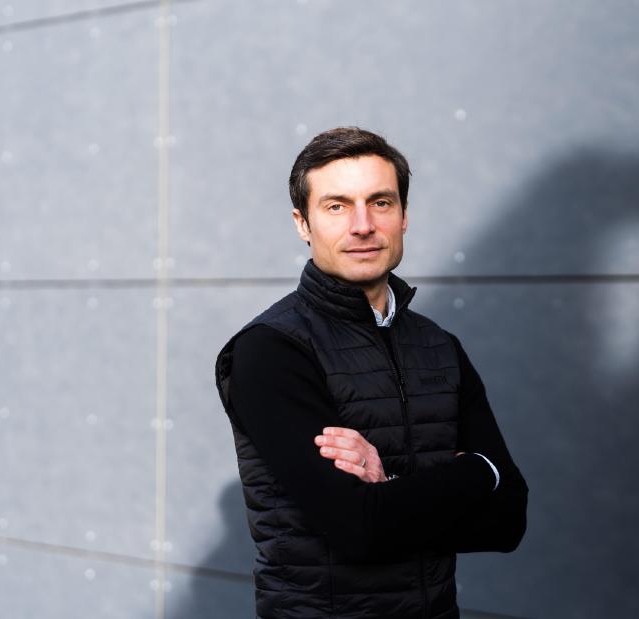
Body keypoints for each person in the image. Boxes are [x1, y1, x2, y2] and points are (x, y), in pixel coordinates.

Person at [215, 127, 527, 619]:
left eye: (380, 202)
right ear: (303, 223)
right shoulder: (272, 350)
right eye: (337, 206)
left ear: (404, 217)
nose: (362, 225)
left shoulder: (439, 346)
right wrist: (475, 472)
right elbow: (357, 529)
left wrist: (389, 487)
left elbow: (508, 521)